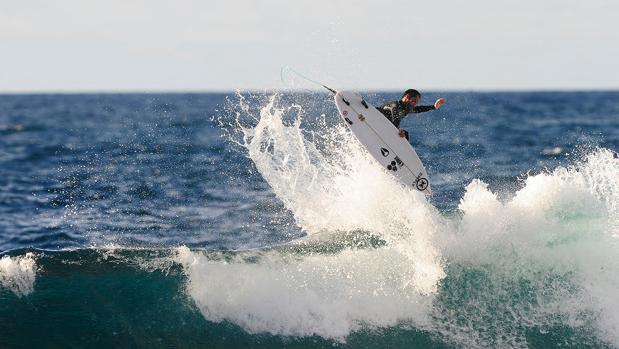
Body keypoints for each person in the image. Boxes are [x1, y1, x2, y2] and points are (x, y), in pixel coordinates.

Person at [376, 89, 445, 140]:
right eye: (414, 101)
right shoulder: (395, 105)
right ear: (407, 97)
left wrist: (433, 107)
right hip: (374, 121)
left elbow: (419, 109)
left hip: (385, 127)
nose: (415, 104)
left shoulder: (407, 108)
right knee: (402, 133)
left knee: (405, 134)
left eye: (417, 102)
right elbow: (395, 116)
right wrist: (397, 130)